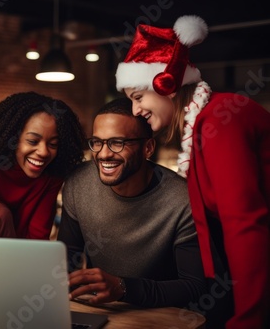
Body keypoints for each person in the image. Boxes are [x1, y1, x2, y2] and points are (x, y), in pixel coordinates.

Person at [115, 15, 269, 328]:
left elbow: (245, 223)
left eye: (138, 97)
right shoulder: (201, 126)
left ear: (166, 85)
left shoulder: (219, 121)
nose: (135, 110)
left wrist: (250, 319)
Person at [57, 98, 206, 311]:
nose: (104, 154)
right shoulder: (78, 183)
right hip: (100, 312)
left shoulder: (182, 199)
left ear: (148, 147)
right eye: (97, 142)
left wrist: (124, 288)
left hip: (160, 317)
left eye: (117, 143)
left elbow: (194, 286)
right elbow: (67, 261)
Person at [0, 91, 86, 239]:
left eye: (53, 144)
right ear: (11, 137)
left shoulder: (52, 171)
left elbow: (37, 238)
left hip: (14, 256)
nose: (43, 152)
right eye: (32, 141)